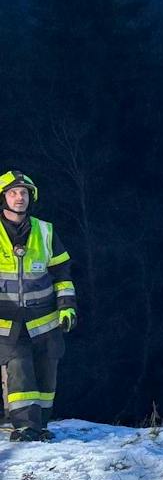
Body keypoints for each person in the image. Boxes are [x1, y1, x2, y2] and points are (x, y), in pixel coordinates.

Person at [0, 170, 75, 441]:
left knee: (46, 371)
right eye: (13, 192)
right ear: (3, 197)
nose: (19, 198)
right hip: (6, 321)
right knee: (18, 368)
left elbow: (62, 274)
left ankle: (40, 424)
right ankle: (24, 426)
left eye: (24, 193)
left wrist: (67, 306)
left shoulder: (45, 230)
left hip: (45, 318)